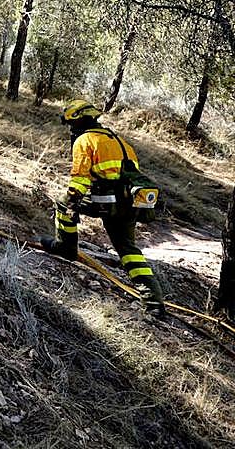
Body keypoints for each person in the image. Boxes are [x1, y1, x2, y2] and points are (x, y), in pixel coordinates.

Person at [39, 100, 167, 318]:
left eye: (70, 123)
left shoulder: (85, 140)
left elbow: (80, 179)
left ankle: (66, 248)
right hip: (129, 204)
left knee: (63, 203)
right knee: (128, 250)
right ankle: (154, 302)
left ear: (77, 121)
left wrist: (72, 200)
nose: (70, 129)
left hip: (106, 202)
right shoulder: (120, 141)